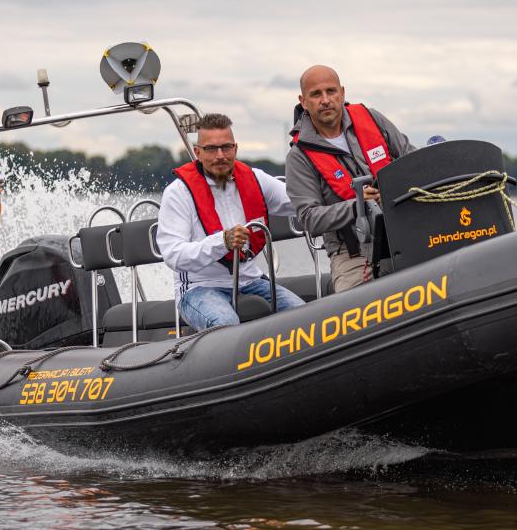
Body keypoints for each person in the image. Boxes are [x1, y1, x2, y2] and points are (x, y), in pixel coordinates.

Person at [157, 112, 305, 330]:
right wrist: (222, 242)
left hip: (251, 281)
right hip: (199, 287)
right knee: (225, 324)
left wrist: (351, 194)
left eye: (226, 147)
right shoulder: (178, 193)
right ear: (197, 152)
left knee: (302, 315)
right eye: (211, 149)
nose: (220, 155)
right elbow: (174, 255)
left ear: (235, 149)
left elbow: (299, 201)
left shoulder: (256, 178)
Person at [285, 64, 415, 293]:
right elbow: (309, 219)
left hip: (404, 234)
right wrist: (357, 206)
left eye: (331, 91)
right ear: (303, 101)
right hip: (353, 252)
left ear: (342, 93)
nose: (325, 100)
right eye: (316, 94)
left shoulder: (372, 119)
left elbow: (412, 160)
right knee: (356, 309)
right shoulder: (299, 156)